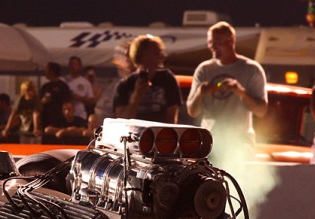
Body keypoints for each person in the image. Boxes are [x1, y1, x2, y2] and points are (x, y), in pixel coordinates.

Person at [186, 21, 268, 159]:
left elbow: (261, 111)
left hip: (240, 144)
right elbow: (192, 112)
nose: (212, 47)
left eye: (217, 42)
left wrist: (241, 92)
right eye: (210, 42)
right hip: (209, 144)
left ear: (231, 41)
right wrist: (200, 92)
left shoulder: (251, 69)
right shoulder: (204, 69)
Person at [113, 34, 182, 124]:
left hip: (160, 131)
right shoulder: (125, 85)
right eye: (155, 51)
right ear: (142, 54)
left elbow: (172, 116)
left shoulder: (167, 79)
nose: (161, 55)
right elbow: (121, 122)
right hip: (135, 131)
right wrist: (136, 97)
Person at [40, 62, 72, 129]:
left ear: (52, 72)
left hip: (58, 119)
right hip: (45, 119)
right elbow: (39, 101)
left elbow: (67, 102)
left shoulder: (63, 86)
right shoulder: (45, 87)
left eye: (47, 70)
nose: (45, 72)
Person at [63, 56, 94, 120]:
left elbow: (91, 100)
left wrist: (80, 98)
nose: (73, 66)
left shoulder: (85, 82)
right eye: (71, 64)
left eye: (75, 64)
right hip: (66, 115)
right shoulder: (64, 81)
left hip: (80, 115)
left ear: (80, 67)